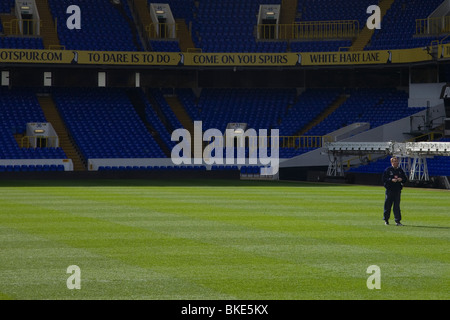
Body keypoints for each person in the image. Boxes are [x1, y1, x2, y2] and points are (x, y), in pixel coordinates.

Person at [382, 156, 408, 226]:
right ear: (392, 162)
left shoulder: (400, 170)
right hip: (390, 190)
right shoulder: (388, 170)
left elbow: (405, 178)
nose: (396, 162)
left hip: (397, 190)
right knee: (388, 205)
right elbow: (384, 179)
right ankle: (386, 220)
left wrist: (401, 179)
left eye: (397, 161)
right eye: (395, 161)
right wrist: (391, 180)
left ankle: (397, 221)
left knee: (397, 206)